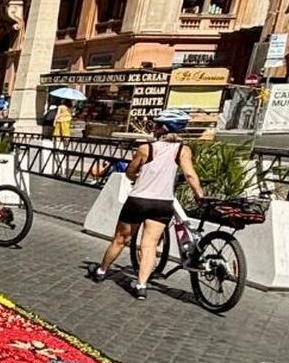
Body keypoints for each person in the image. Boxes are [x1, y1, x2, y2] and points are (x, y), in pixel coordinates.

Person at [88, 110, 205, 300]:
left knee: (120, 239)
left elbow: (130, 173)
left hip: (139, 200)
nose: (154, 128)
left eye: (156, 125)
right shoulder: (183, 150)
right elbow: (191, 175)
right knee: (149, 245)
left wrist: (139, 176)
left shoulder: (146, 149)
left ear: (161, 128)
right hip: (163, 203)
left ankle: (101, 271)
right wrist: (199, 194)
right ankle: (141, 286)